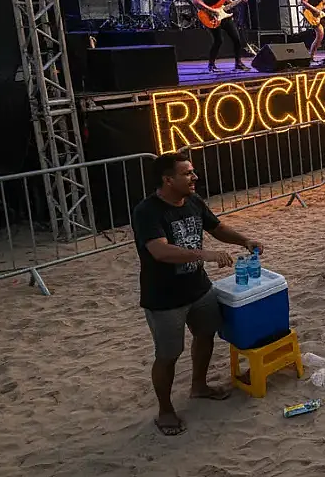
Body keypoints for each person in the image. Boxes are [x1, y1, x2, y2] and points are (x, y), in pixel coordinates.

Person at [132, 153, 262, 436]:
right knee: (168, 354)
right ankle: (165, 410)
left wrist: (244, 240)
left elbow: (216, 227)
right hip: (164, 298)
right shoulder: (147, 211)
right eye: (187, 173)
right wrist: (206, 254)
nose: (194, 177)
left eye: (193, 172)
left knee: (205, 336)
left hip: (199, 288)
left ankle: (199, 386)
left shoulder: (193, 201)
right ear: (167, 179)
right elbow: (160, 250)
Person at [191, 0, 248, 73]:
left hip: (224, 15)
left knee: (236, 39)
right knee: (218, 41)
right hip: (210, 15)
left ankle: (238, 63)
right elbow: (196, 0)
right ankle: (211, 65)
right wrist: (211, 10)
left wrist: (239, 1)